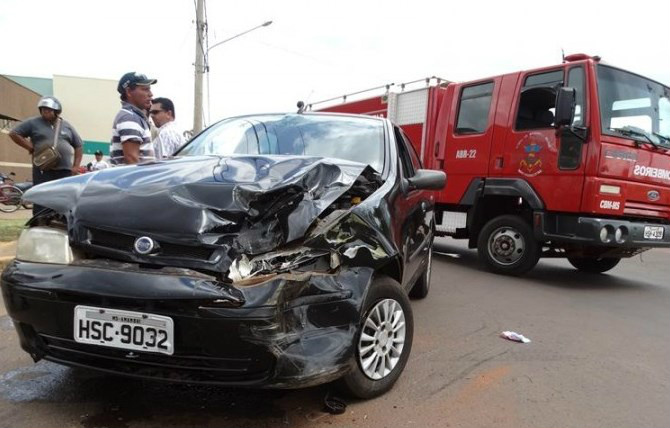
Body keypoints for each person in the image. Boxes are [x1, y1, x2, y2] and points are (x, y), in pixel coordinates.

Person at [9, 96, 83, 214]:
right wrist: (30, 147)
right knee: (41, 198)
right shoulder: (33, 123)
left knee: (63, 199)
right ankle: (40, 222)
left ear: (56, 111)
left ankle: (61, 222)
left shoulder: (66, 125)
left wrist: (75, 166)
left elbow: (79, 145)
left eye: (48, 110)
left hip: (64, 171)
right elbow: (14, 133)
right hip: (43, 170)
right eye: (43, 109)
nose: (45, 112)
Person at [110, 72, 157, 165]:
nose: (150, 94)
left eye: (149, 89)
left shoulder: (134, 117)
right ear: (129, 92)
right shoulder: (130, 118)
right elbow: (131, 159)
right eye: (145, 89)